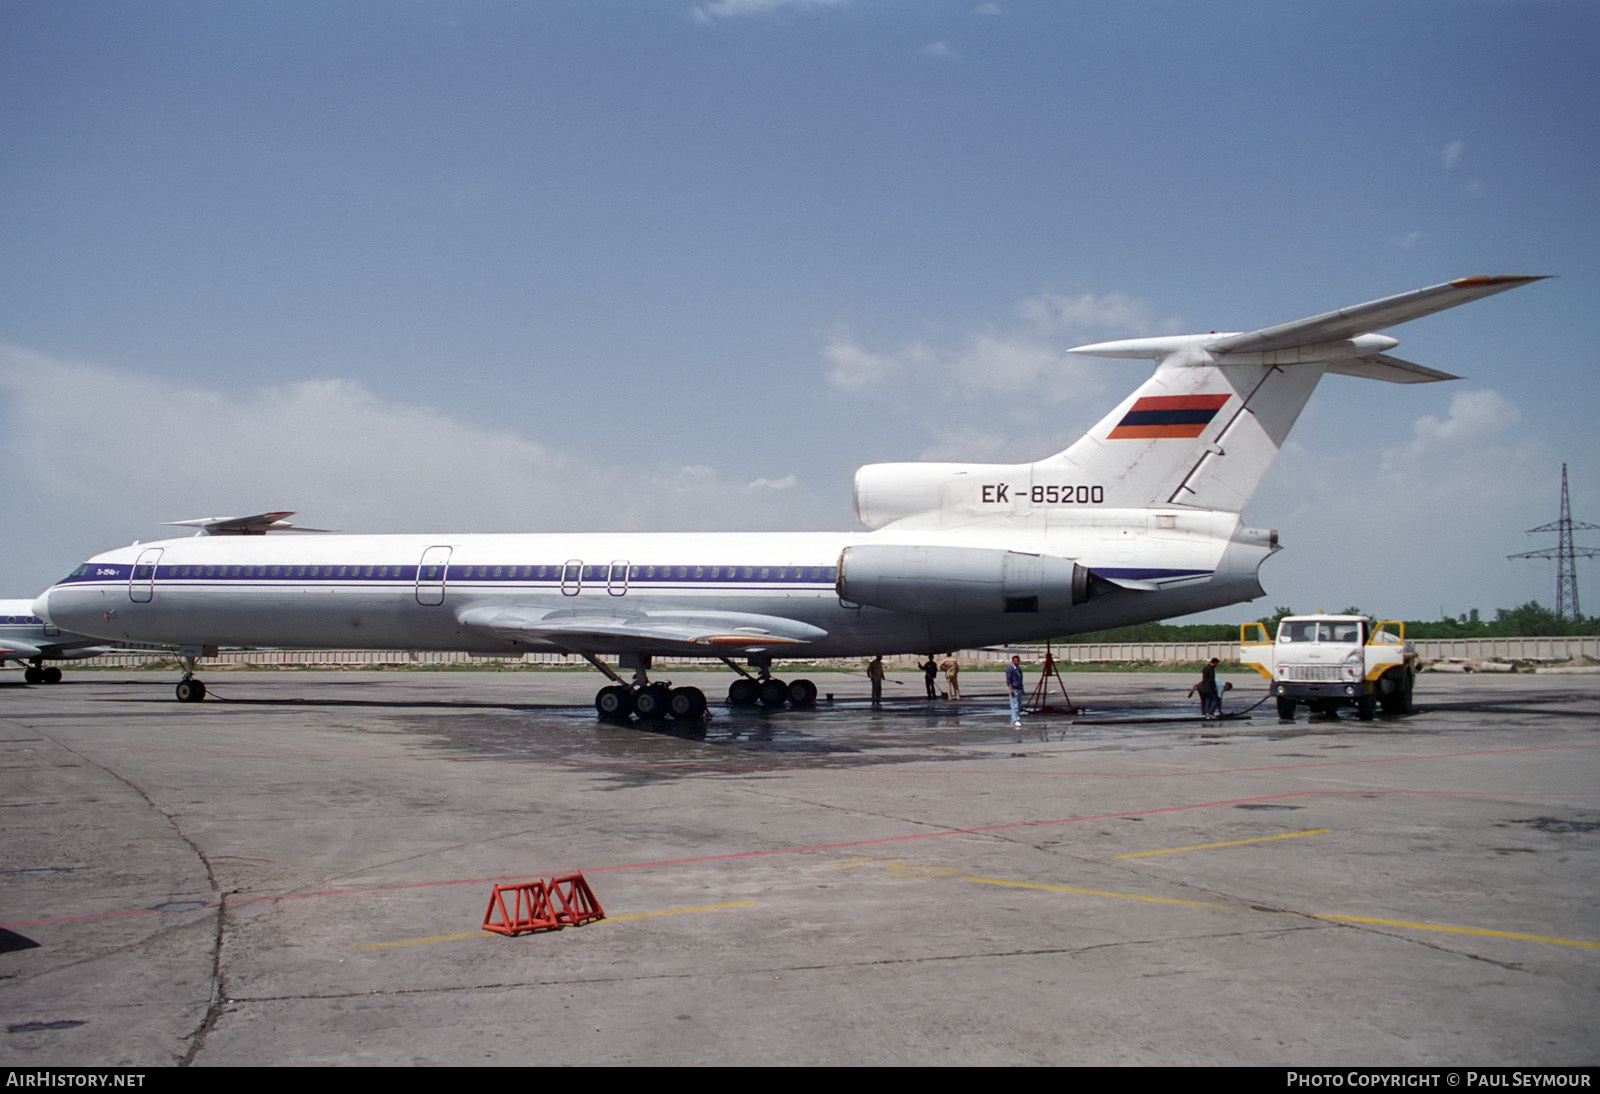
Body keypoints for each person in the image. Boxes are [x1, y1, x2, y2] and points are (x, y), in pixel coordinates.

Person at [1005, 655, 1026, 727]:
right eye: (1015, 660)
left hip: (1019, 688)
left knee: (1019, 705)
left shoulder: (1019, 669)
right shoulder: (1010, 669)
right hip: (1014, 688)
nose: (1016, 662)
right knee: (1015, 705)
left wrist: (1022, 689)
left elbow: (1021, 679)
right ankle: (1015, 720)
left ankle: (1013, 719)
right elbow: (1008, 680)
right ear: (1013, 661)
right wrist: (1011, 689)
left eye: (1017, 660)